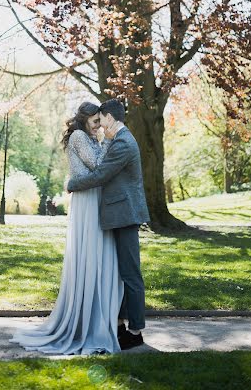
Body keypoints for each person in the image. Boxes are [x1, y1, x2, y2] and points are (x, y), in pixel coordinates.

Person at [9, 101, 124, 355]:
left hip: (94, 198)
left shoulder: (87, 136)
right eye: (95, 122)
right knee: (89, 252)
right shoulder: (81, 138)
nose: (98, 126)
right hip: (87, 201)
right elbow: (97, 165)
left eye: (99, 121)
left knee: (98, 252)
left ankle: (97, 314)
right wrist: (106, 140)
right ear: (84, 120)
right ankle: (86, 319)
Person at [67, 99, 150, 350]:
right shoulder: (120, 140)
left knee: (131, 274)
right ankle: (120, 325)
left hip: (125, 215)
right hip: (119, 214)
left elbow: (101, 174)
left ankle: (135, 331)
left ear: (110, 118)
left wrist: (71, 185)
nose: (101, 125)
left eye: (101, 119)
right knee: (121, 273)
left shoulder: (123, 143)